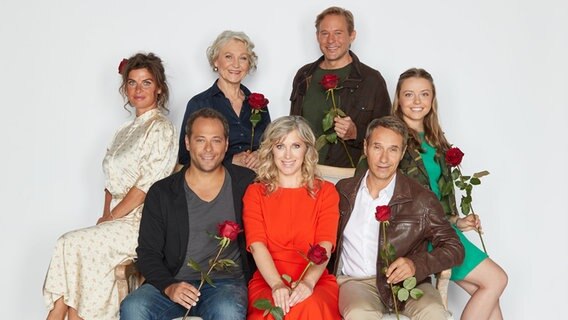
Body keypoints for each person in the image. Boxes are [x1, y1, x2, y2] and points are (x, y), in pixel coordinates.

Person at [43, 52, 178, 320]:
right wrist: (106, 217)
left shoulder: (162, 128)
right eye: (132, 83)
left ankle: (59, 315)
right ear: (125, 87)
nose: (138, 90)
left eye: (146, 83)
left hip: (141, 221)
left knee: (68, 243)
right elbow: (109, 183)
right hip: (114, 219)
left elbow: (146, 187)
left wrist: (112, 217)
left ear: (159, 87)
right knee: (75, 254)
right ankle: (61, 314)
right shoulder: (122, 131)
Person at [393, 68, 508, 320]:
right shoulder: (395, 139)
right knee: (496, 280)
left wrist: (458, 220)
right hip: (426, 235)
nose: (416, 101)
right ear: (398, 99)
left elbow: (439, 196)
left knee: (490, 293)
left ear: (432, 100)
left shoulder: (436, 139)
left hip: (445, 229)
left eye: (424, 94)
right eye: (409, 94)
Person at [120, 108, 256, 320]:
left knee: (227, 312)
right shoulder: (162, 191)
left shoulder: (246, 182)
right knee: (134, 307)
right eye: (200, 140)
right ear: (187, 142)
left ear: (226, 144)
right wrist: (169, 286)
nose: (208, 148)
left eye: (216, 140)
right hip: (173, 280)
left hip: (226, 284)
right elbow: (148, 252)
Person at [332, 116, 465, 319]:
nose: (384, 159)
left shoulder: (422, 198)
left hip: (411, 284)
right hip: (357, 283)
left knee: (436, 314)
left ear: (402, 153)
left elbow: (454, 248)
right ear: (366, 147)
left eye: (393, 149)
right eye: (377, 147)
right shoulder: (343, 191)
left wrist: (416, 265)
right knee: (359, 314)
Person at [243, 116, 341, 319]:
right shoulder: (255, 193)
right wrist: (277, 284)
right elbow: (257, 246)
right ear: (271, 150)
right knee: (276, 310)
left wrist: (308, 283)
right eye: (280, 146)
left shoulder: (326, 192)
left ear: (307, 150)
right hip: (268, 279)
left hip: (315, 279)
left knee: (309, 306)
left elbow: (325, 244)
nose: (288, 154)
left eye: (296, 146)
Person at [290, 6, 391, 168]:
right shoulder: (304, 75)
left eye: (338, 33)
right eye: (325, 33)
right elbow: (292, 125)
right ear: (317, 36)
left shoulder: (372, 80)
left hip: (349, 175)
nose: (331, 40)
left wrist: (356, 133)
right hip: (304, 170)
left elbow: (388, 133)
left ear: (352, 36)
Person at [178, 30, 271, 171]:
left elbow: (270, 146)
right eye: (228, 57)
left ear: (249, 64)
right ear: (216, 61)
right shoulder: (199, 103)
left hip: (256, 181)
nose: (236, 64)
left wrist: (260, 155)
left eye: (243, 58)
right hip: (215, 183)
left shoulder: (259, 104)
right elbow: (186, 157)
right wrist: (230, 160)